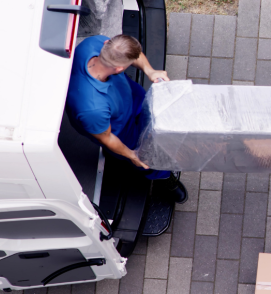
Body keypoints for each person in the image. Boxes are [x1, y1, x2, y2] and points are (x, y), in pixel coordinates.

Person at [66, 34, 187, 203]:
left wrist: (149, 70)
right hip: (121, 130)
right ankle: (162, 178)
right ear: (119, 69)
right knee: (148, 157)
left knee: (154, 120)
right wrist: (132, 155)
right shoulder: (91, 108)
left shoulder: (94, 43)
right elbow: (107, 137)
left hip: (130, 97)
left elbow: (134, 54)